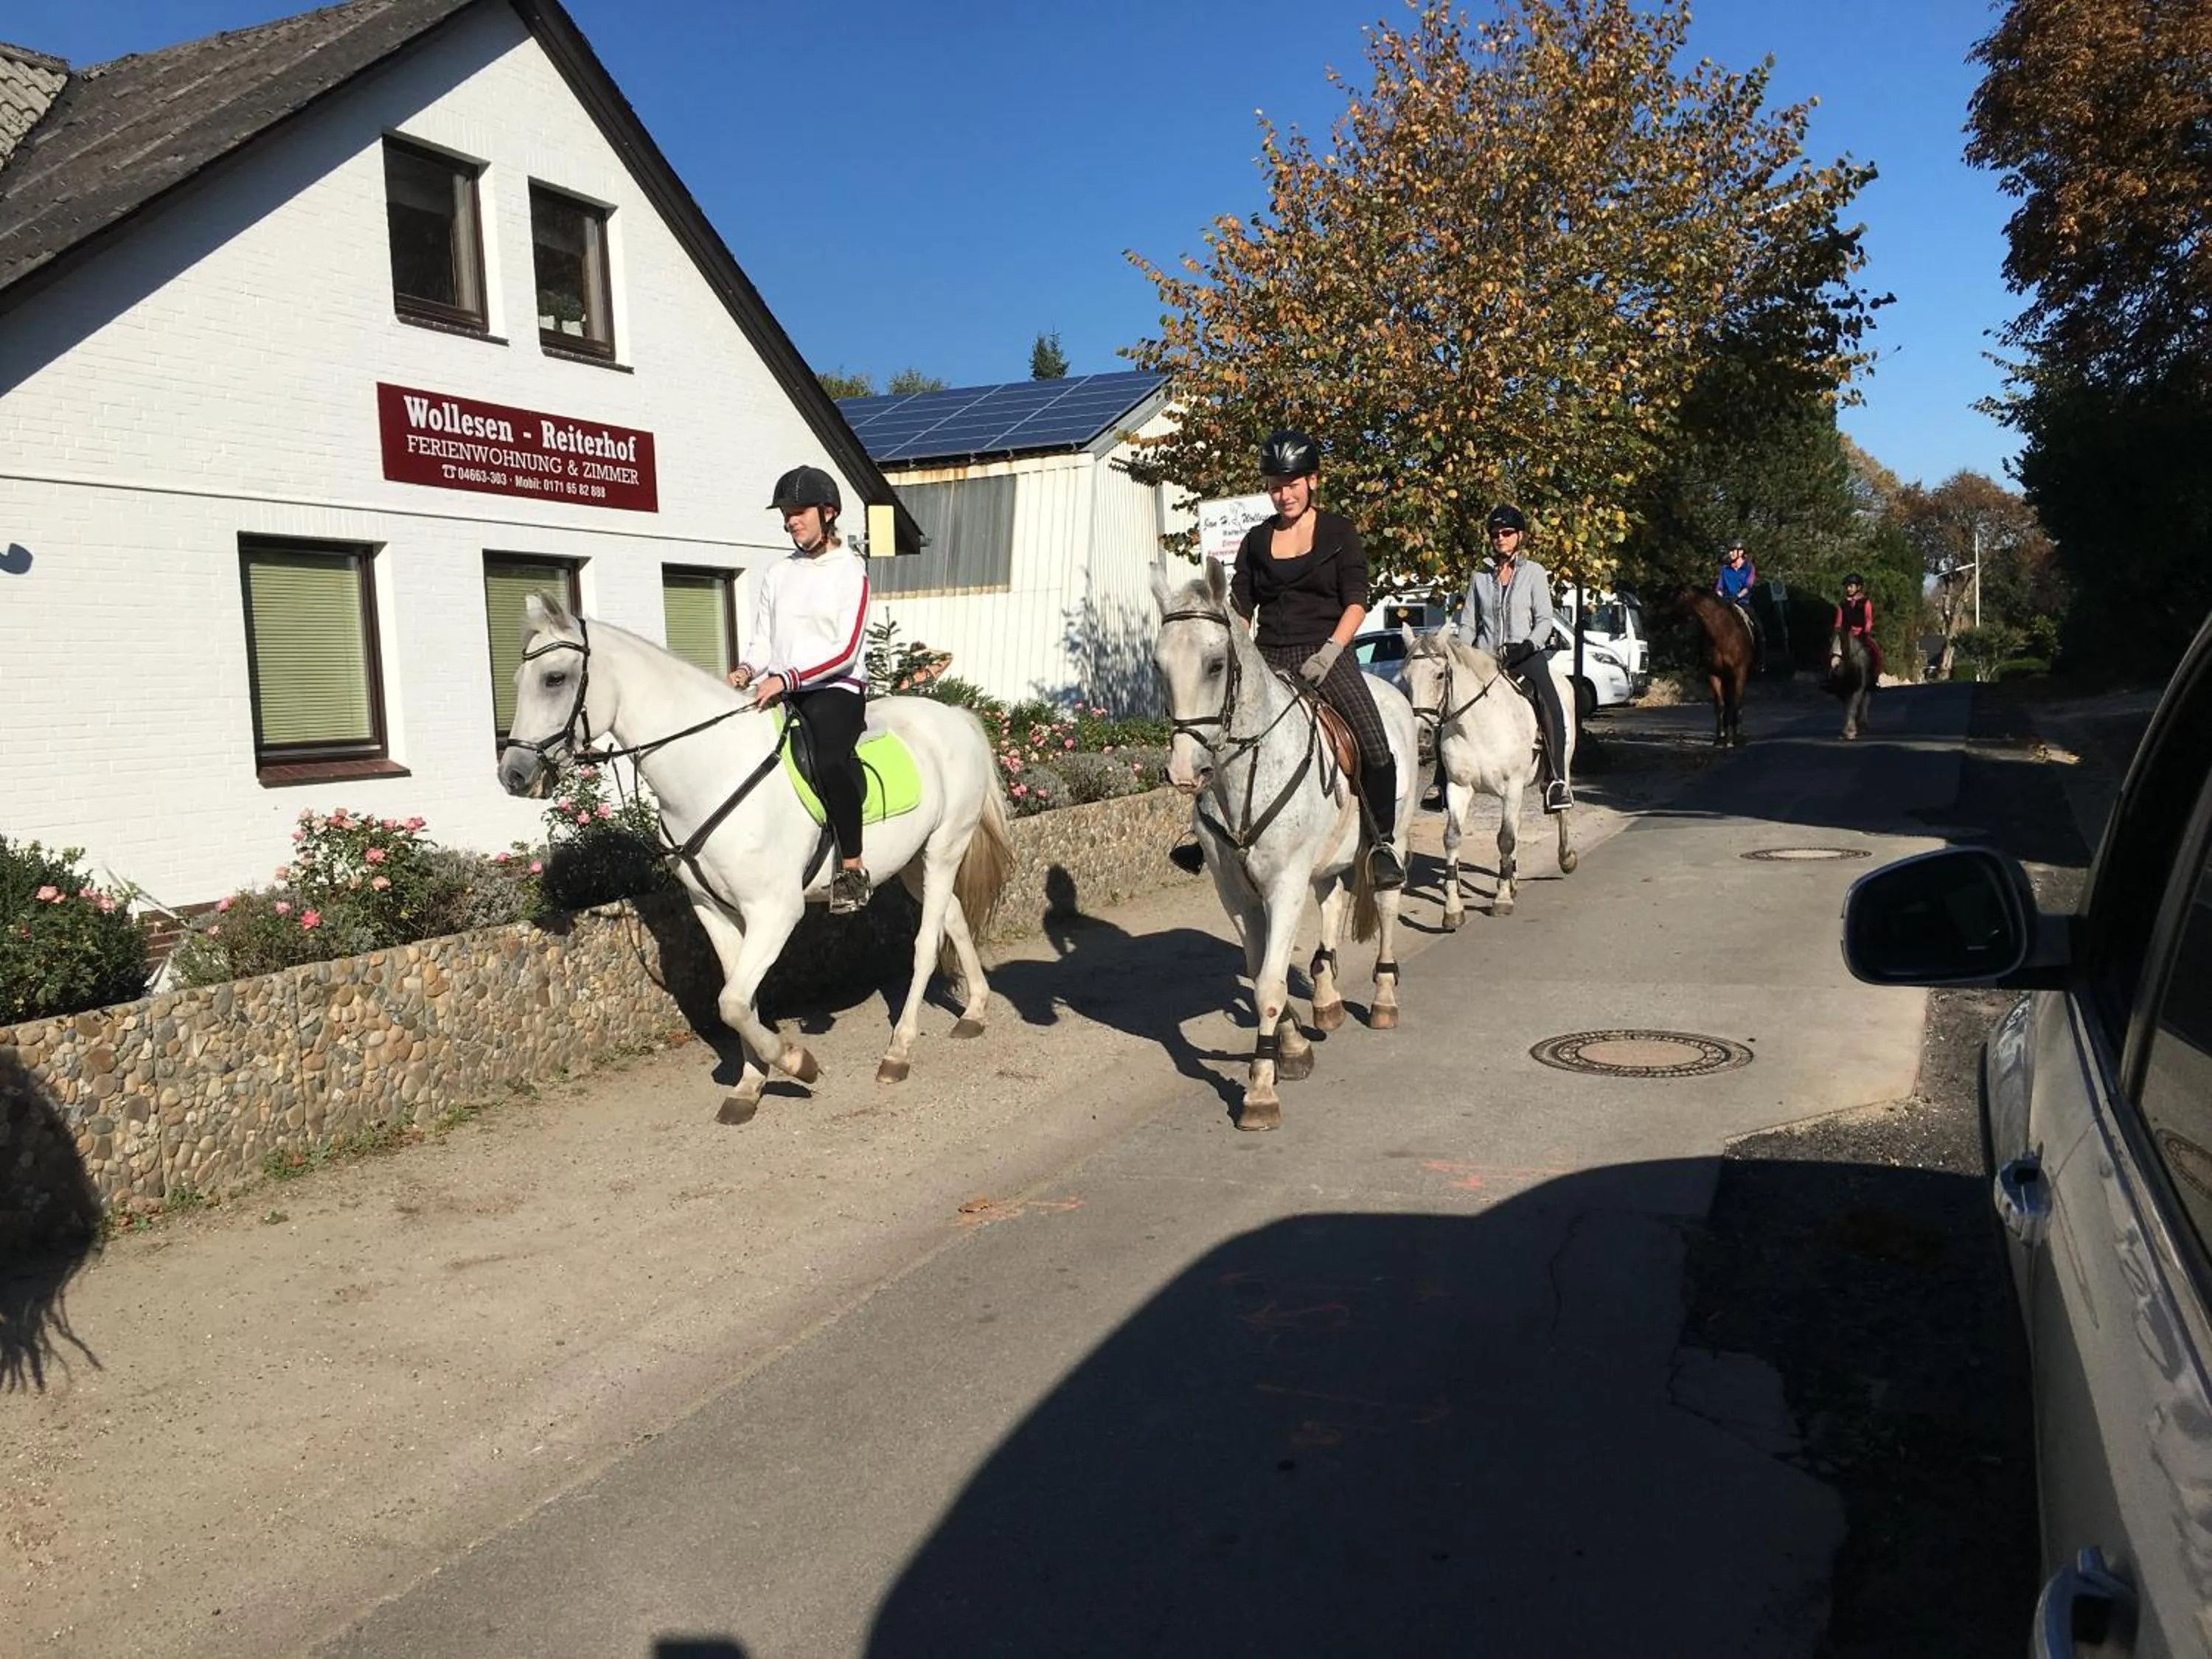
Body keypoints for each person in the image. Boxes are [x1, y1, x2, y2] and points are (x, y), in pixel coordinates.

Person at [1201, 427, 1405, 888]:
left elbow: (1356, 601)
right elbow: (1240, 607)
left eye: (1291, 484)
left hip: (1327, 655)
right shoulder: (1255, 541)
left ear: (1312, 481)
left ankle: (1382, 843)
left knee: (1375, 745)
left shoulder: (1338, 531)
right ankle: (1205, 833)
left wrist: (1332, 650)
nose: (1283, 495)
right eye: (1275, 486)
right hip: (1269, 657)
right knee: (1215, 735)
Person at [728, 465, 872, 914]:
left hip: (837, 690)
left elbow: (846, 651)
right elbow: (764, 640)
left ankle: (852, 868)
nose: (791, 520)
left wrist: (786, 678)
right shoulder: (777, 574)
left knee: (830, 760)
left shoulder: (851, 572)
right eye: (787, 513)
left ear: (828, 513)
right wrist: (747, 668)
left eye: (799, 511)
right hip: (782, 687)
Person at [1459, 504, 1573, 812]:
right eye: (1495, 534)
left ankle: (1557, 780)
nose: (1500, 538)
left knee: (1550, 703)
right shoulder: (1479, 576)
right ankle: (1442, 781)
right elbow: (1469, 622)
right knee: (1449, 703)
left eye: (1507, 533)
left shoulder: (1534, 572)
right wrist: (1461, 654)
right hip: (1486, 656)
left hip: (1525, 655)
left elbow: (1545, 620)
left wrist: (1527, 645)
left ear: (1519, 536)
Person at [1714, 536, 1766, 669]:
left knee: (1759, 629)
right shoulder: (1725, 570)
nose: (1730, 553)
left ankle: (1760, 661)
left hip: (1742, 602)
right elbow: (1719, 587)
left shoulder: (1749, 568)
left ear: (1741, 552)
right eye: (1730, 551)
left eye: (1733, 551)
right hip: (1725, 602)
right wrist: (1720, 599)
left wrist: (1736, 598)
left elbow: (1748, 586)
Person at [1834, 572, 1883, 684]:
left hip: (1860, 633)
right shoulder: (1843, 603)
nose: (1848, 588)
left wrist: (1866, 632)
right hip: (1846, 633)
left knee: (1875, 651)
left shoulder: (1865, 602)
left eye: (1851, 586)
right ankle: (1832, 675)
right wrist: (1837, 631)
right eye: (1847, 586)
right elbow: (1839, 620)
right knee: (1832, 650)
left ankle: (1874, 676)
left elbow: (1868, 619)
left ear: (1858, 587)